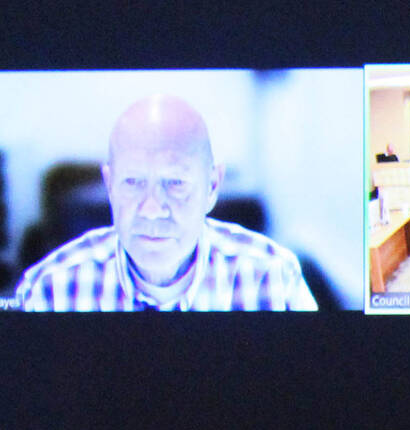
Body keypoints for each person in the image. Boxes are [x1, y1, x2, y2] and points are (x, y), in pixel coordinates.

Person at [13, 95, 316, 311]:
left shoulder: (276, 279)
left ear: (212, 187)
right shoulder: (48, 291)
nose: (152, 208)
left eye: (175, 182)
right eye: (132, 182)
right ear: (109, 186)